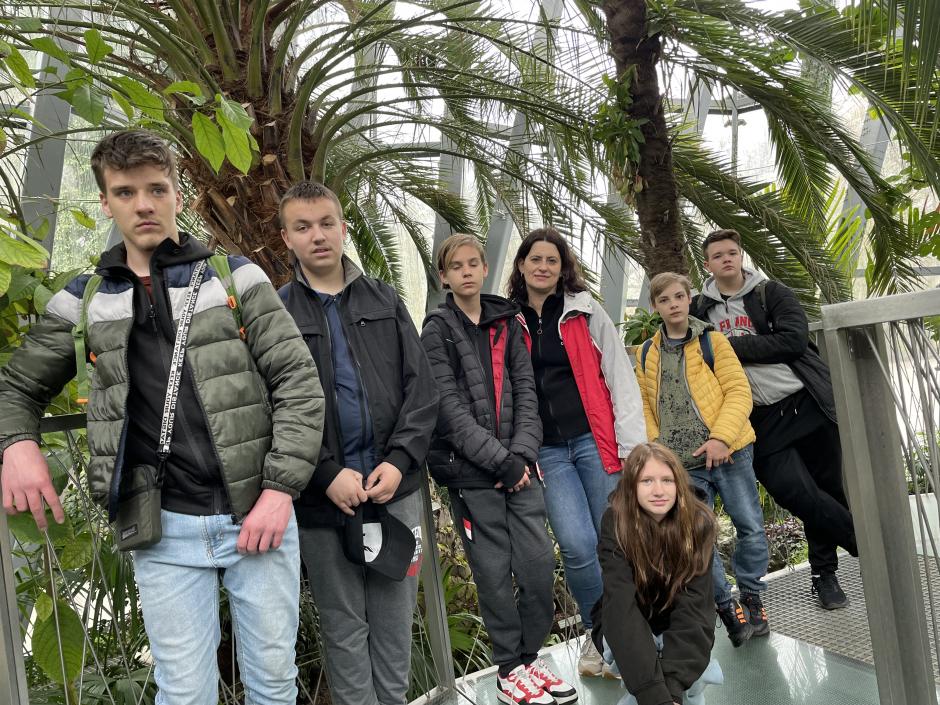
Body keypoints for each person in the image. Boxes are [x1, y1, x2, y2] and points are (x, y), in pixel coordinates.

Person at [0, 129, 324, 704]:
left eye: (156, 189)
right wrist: (17, 445)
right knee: (183, 693)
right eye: (125, 192)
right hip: (160, 524)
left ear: (178, 193)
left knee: (273, 685)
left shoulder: (235, 277)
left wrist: (280, 491)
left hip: (257, 513)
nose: (143, 204)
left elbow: (298, 382)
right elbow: (17, 386)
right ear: (106, 202)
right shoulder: (86, 298)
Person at [278, 181, 438, 705]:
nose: (317, 235)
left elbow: (422, 389)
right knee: (343, 627)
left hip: (395, 491)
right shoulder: (276, 312)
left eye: (327, 223)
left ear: (343, 229)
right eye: (303, 227)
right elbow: (271, 405)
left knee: (395, 619)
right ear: (287, 238)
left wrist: (399, 460)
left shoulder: (383, 299)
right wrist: (325, 474)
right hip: (323, 500)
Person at [421, 234, 575, 705]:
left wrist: (522, 456)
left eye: (473, 263)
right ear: (444, 277)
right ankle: (510, 670)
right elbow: (448, 409)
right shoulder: (437, 330)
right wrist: (500, 461)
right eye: (456, 266)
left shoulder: (506, 321)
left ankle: (529, 659)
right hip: (472, 476)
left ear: (485, 268)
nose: (466, 272)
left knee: (538, 565)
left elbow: (526, 391)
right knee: (492, 574)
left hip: (519, 470)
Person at [691, 229, 858, 609]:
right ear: (707, 264)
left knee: (827, 487)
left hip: (805, 403)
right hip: (758, 420)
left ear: (741, 256)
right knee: (795, 493)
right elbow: (694, 354)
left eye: (732, 252)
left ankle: (824, 575)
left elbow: (793, 340)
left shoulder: (771, 292)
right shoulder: (700, 310)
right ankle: (865, 542)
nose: (727, 259)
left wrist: (727, 347)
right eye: (718, 255)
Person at [507, 227, 646, 677]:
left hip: (593, 441)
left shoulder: (585, 311)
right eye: (535, 259)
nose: (543, 266)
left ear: (562, 267)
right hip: (547, 451)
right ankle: (598, 632)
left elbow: (619, 376)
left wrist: (632, 447)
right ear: (521, 265)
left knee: (616, 540)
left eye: (552, 259)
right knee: (576, 545)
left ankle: (631, 631)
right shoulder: (508, 320)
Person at [637, 272, 770, 647]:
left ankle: (752, 595)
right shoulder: (647, 353)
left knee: (750, 527)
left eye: (679, 296)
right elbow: (645, 406)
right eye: (665, 300)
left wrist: (720, 438)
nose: (673, 304)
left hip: (730, 453)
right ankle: (726, 607)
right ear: (655, 307)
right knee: (695, 540)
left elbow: (739, 392)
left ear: (689, 299)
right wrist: (659, 450)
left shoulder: (713, 342)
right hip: (682, 466)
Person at [591, 442, 723, 705]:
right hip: (629, 619)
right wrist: (654, 694)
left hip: (676, 618)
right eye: (647, 481)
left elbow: (695, 607)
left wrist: (672, 688)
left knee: (689, 682)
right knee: (646, 686)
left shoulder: (698, 523)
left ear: (679, 484)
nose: (659, 491)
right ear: (632, 487)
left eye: (667, 480)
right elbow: (621, 605)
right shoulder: (616, 523)